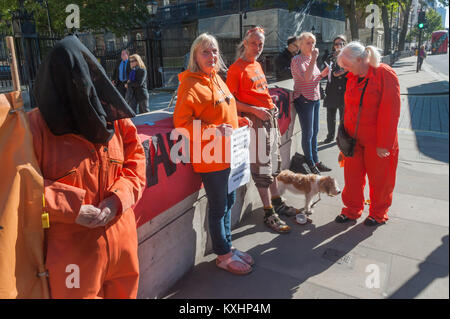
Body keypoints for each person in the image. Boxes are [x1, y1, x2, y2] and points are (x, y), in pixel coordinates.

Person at [28, 35, 146, 298]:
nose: (78, 87)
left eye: (82, 78)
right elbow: (20, 186)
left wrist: (117, 200)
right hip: (72, 259)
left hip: (122, 242)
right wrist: (72, 209)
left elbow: (136, 161)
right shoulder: (34, 127)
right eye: (69, 82)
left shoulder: (113, 115)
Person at [173, 33, 254, 275]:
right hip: (210, 158)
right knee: (219, 205)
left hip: (228, 154)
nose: (212, 56)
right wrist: (214, 131)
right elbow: (182, 124)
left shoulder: (217, 78)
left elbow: (223, 113)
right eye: (205, 52)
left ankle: (227, 245)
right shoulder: (189, 84)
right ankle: (223, 255)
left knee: (228, 201)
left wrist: (239, 121)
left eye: (215, 51)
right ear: (195, 56)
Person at [226, 26, 304, 233]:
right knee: (262, 168)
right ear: (245, 43)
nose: (258, 47)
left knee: (272, 165)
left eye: (261, 44)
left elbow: (261, 92)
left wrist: (271, 106)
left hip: (270, 120)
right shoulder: (236, 69)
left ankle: (277, 201)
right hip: (255, 122)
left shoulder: (257, 65)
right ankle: (269, 213)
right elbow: (230, 102)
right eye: (254, 43)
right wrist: (254, 110)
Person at [334, 41, 400, 226]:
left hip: (377, 141)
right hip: (353, 139)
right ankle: (351, 210)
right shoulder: (354, 76)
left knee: (380, 180)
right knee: (352, 178)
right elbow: (349, 109)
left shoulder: (384, 73)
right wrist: (343, 140)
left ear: (362, 59)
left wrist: (384, 144)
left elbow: (391, 111)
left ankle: (378, 213)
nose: (346, 70)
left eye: (348, 65)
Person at [290, 32, 331, 175]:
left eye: (313, 42)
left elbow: (314, 78)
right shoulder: (297, 60)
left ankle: (316, 161)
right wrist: (314, 58)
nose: (312, 46)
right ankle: (311, 163)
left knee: (315, 132)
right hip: (304, 98)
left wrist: (322, 74)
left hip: (314, 97)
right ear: (300, 45)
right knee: (308, 133)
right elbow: (307, 79)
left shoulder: (309, 59)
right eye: (308, 43)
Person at [322, 35, 348, 144]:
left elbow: (354, 69)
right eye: (336, 44)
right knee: (330, 116)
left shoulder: (349, 57)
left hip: (344, 90)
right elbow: (324, 71)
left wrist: (344, 71)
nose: (338, 46)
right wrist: (332, 72)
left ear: (345, 44)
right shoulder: (329, 57)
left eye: (341, 43)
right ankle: (330, 136)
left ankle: (341, 137)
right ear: (334, 46)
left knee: (343, 117)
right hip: (332, 89)